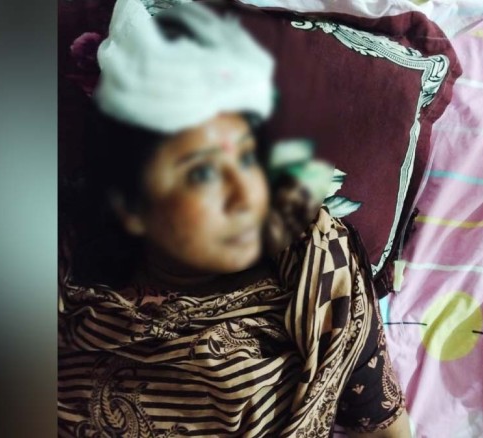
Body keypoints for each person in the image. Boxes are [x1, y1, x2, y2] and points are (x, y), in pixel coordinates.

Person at [58, 1, 411, 436]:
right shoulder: (66, 284)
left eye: (247, 160)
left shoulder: (322, 277)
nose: (247, 194)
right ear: (131, 205)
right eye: (203, 174)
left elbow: (386, 430)